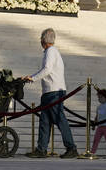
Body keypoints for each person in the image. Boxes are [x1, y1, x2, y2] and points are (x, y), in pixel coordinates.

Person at [22, 28, 78, 158]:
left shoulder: (51, 51)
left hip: (54, 91)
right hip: (49, 91)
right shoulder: (51, 51)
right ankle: (41, 149)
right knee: (45, 121)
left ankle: (71, 147)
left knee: (59, 119)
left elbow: (47, 69)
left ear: (43, 40)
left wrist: (33, 78)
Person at [92, 88, 106, 157]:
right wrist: (94, 124)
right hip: (99, 126)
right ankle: (92, 152)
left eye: (101, 97)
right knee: (96, 140)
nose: (99, 99)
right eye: (98, 97)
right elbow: (97, 116)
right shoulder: (99, 107)